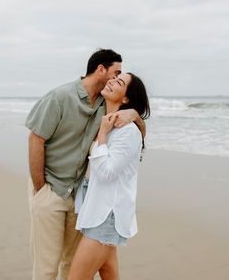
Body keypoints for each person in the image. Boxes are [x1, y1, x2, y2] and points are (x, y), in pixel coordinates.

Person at [25, 49, 145, 280]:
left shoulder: (107, 106)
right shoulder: (60, 97)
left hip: (82, 198)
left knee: (73, 265)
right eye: (116, 73)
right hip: (51, 190)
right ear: (101, 69)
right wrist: (40, 188)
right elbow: (35, 138)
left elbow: (133, 129)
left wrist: (135, 115)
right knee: (46, 267)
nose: (115, 79)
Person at [68, 72, 150, 280]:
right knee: (108, 273)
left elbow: (106, 173)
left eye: (119, 82)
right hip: (98, 210)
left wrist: (103, 134)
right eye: (115, 77)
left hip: (107, 215)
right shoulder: (108, 121)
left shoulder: (127, 132)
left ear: (126, 99)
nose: (112, 80)